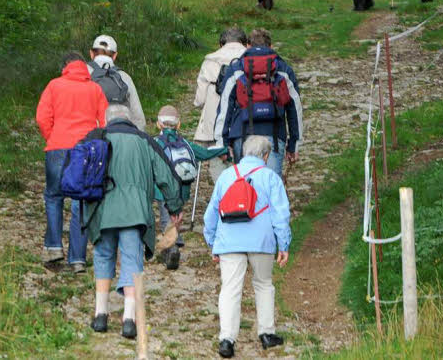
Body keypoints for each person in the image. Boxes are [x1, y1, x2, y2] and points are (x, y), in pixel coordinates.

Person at [87, 103, 184, 340]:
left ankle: (100, 315)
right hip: (135, 211)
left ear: (107, 119)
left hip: (102, 209)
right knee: (132, 260)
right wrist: (174, 206)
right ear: (129, 120)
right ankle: (129, 320)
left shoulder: (97, 138)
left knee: (103, 256)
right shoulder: (144, 141)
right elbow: (167, 175)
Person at [203, 134, 291, 357]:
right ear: (266, 155)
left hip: (230, 241)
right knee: (263, 284)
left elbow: (211, 212)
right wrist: (283, 244)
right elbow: (280, 215)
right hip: (261, 240)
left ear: (242, 152)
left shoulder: (226, 176)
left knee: (230, 288)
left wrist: (212, 242)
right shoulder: (271, 178)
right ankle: (267, 333)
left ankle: (227, 339)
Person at [35, 52, 110, 271]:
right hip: (85, 150)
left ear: (64, 67)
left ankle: (54, 247)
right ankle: (77, 259)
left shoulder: (54, 86)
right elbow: (104, 121)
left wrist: (52, 136)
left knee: (53, 196)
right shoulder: (95, 89)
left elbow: (42, 117)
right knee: (82, 201)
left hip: (57, 146)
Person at [214, 28, 303, 177]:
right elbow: (294, 108)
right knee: (269, 186)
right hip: (273, 136)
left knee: (244, 186)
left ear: (248, 46)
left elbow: (224, 108)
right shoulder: (283, 69)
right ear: (271, 46)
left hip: (242, 135)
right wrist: (294, 144)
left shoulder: (237, 68)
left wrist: (221, 144)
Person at [152, 105, 228, 270]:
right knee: (176, 214)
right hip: (182, 188)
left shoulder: (154, 143)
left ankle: (172, 248)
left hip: (162, 189)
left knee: (167, 215)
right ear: (178, 125)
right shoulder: (185, 144)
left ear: (159, 124)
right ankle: (174, 241)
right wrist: (224, 150)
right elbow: (205, 154)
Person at [194, 27, 249, 182]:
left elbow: (200, 99)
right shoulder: (249, 59)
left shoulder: (210, 61)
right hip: (242, 120)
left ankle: (224, 194)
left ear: (221, 44)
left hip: (214, 121)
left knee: (218, 160)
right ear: (245, 43)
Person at [88, 34, 146, 130]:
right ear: (115, 56)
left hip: (90, 137)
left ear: (91, 53)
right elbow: (138, 118)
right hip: (118, 134)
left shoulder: (83, 73)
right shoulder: (124, 77)